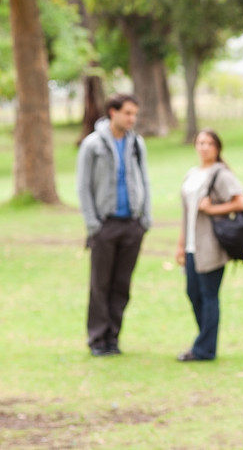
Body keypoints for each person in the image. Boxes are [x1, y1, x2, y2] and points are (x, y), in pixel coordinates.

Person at [77, 94, 151, 357]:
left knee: (122, 285)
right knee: (100, 285)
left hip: (132, 224)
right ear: (113, 112)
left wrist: (145, 219)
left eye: (134, 114)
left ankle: (113, 337)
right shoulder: (92, 145)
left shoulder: (136, 144)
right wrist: (93, 224)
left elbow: (145, 180)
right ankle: (97, 339)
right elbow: (83, 186)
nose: (132, 118)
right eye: (128, 113)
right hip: (105, 226)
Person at [175, 129, 243, 362]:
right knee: (193, 293)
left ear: (217, 147)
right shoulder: (192, 174)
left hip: (211, 245)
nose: (204, 147)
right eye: (200, 142)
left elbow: (241, 202)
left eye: (209, 143)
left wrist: (212, 209)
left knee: (208, 295)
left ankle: (204, 349)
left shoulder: (221, 174)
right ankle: (205, 342)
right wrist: (180, 245)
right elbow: (186, 214)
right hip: (191, 246)